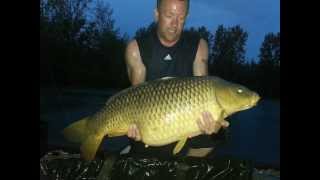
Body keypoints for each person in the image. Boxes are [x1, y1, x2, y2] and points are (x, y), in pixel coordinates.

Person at [124, 0, 229, 158]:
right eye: (169, 16)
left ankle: (183, 167)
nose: (175, 24)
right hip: (152, 123)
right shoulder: (136, 49)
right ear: (156, 14)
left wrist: (212, 124)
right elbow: (135, 98)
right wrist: (136, 129)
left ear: (187, 16)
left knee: (218, 134)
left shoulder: (199, 46)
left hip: (186, 119)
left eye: (181, 18)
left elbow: (205, 91)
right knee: (144, 147)